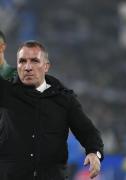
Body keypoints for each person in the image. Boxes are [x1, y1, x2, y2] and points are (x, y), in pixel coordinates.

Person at [0, 40, 104, 180]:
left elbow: (88, 131)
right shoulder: (5, 92)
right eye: (22, 61)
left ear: (46, 66)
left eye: (35, 61)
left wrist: (94, 153)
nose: (27, 67)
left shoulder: (64, 99)